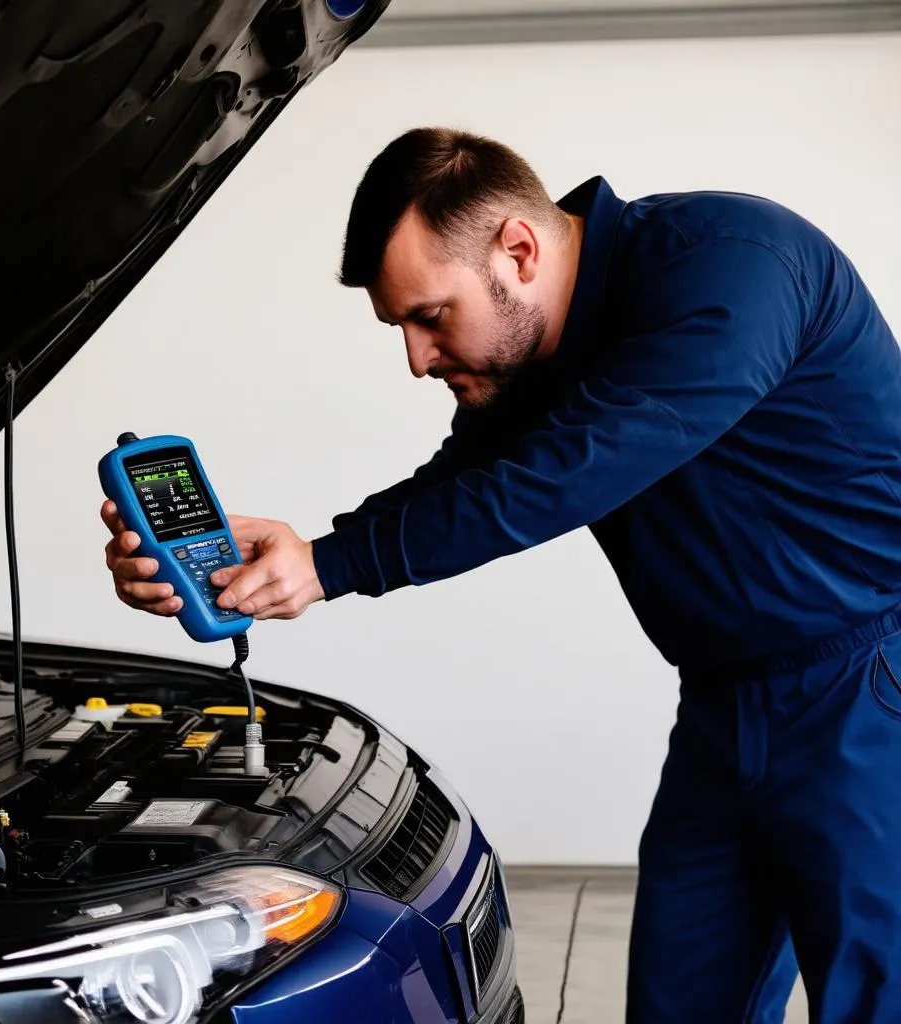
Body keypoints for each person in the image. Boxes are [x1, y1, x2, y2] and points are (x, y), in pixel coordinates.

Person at [101, 127, 901, 1020]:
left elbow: (561, 474)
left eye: (430, 315)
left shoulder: (732, 269)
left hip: (867, 691)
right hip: (722, 705)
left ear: (518, 250)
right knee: (682, 1002)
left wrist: (331, 566)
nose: (416, 357)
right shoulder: (544, 353)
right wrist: (284, 559)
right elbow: (469, 479)